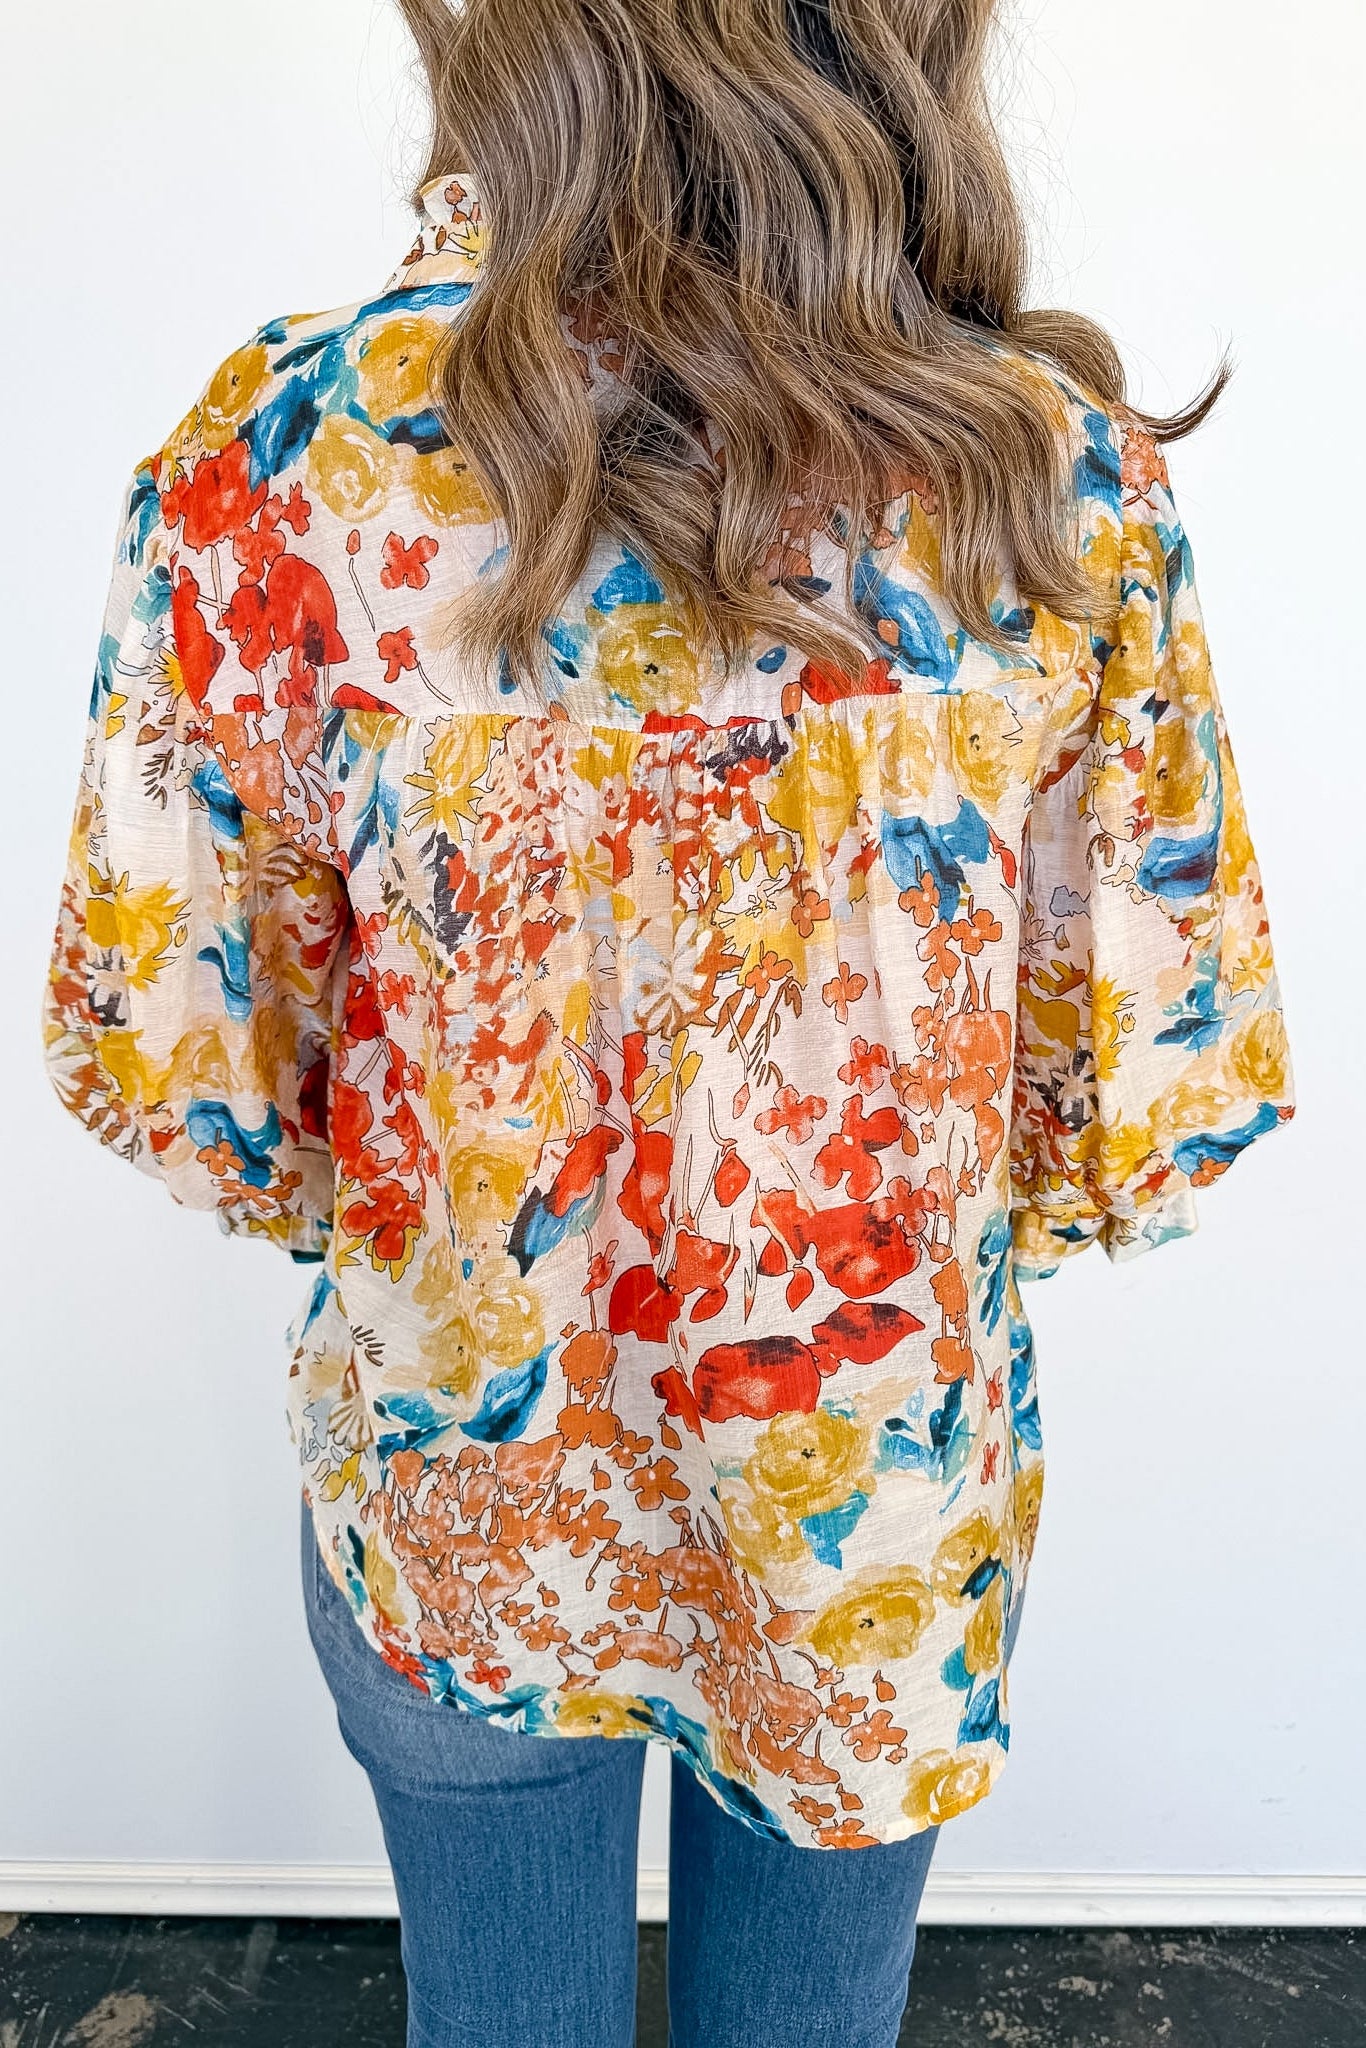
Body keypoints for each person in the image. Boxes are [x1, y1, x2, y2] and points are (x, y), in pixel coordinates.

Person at [41, 2, 1295, 2042]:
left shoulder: (288, 456)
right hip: (862, 1505)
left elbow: (184, 1067)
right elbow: (1148, 1083)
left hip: (460, 1470)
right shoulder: (1037, 471)